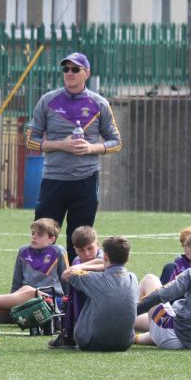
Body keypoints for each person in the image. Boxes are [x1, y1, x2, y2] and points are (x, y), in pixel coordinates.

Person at [26, 51, 122, 261]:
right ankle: (41, 286)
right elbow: (31, 140)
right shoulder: (48, 100)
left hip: (85, 180)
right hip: (53, 179)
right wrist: (61, 145)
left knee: (79, 240)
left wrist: (91, 148)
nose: (69, 73)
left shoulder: (99, 104)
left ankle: (77, 288)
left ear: (86, 73)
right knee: (43, 236)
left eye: (75, 69)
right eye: (66, 69)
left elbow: (116, 142)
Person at [50, 236, 139, 352]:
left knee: (78, 286)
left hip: (90, 342)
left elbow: (68, 274)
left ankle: (68, 334)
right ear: (128, 257)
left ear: (105, 257)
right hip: (125, 343)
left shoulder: (93, 278)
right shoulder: (133, 278)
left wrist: (81, 265)